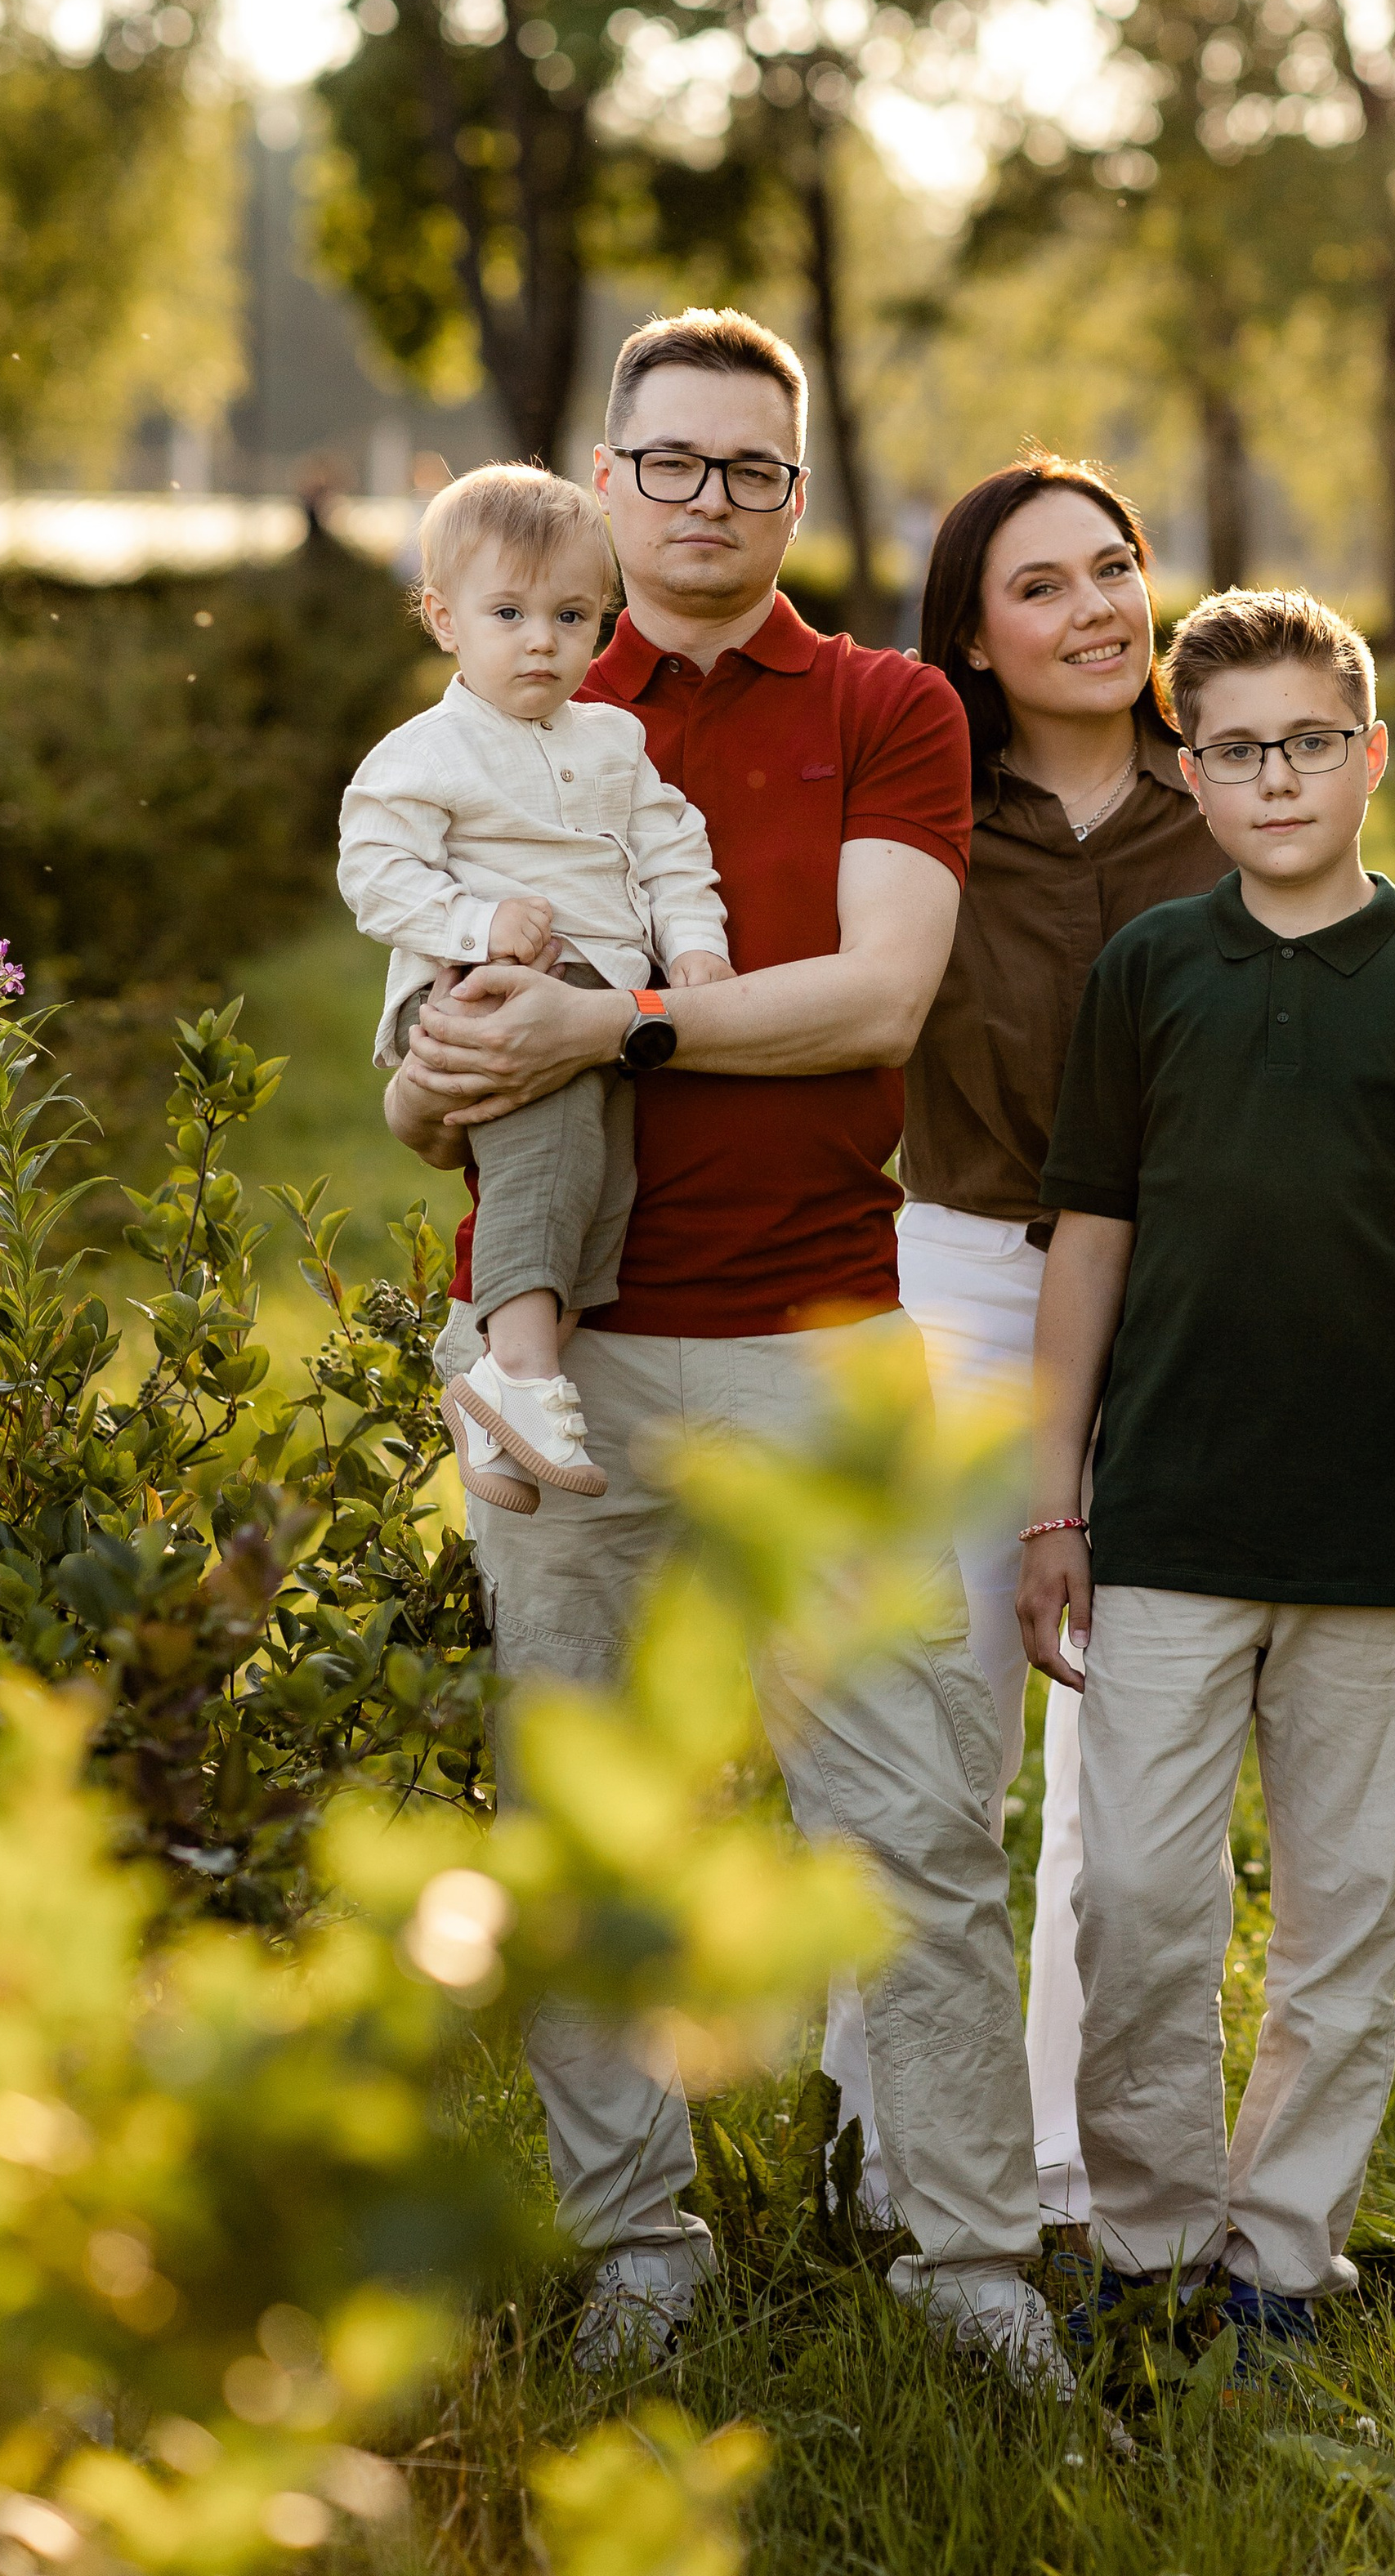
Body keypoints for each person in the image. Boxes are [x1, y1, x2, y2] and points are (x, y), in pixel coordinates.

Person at [382, 309, 1071, 2395]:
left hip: (816, 1340)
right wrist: (442, 1063)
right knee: (585, 1823)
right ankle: (637, 2249)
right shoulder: (509, 684)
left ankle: (972, 2261)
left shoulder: (880, 705)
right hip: (557, 1350)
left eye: (749, 468)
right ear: (604, 479)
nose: (705, 500)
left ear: (794, 491)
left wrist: (603, 1023)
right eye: (667, 462)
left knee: (915, 1821)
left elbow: (872, 999)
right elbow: (417, 1066)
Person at [829, 459, 1395, 2229]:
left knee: (1118, 1784)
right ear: (972, 635)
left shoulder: (1210, 786)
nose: (1092, 608)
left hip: (1198, 1305)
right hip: (971, 1286)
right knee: (931, 1738)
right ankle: (888, 2148)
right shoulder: (918, 805)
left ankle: (1075, 2165)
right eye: (1037, 585)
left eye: (1112, 566)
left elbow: (1330, 907)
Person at [1017, 584, 1395, 2352]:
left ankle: (1278, 2266)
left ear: (1370, 755)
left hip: (1388, 1532)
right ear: (1189, 771)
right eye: (1236, 750)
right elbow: (1090, 1241)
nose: (1275, 778)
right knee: (1136, 1904)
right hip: (1172, 1513)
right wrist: (1052, 1501)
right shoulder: (1149, 972)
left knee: (1344, 1926)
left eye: (1309, 743)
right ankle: (1151, 2244)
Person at [338, 464, 733, 1499]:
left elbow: (672, 845)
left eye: (571, 616)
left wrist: (696, 944)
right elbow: (374, 872)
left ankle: (491, 1398)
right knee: (549, 1155)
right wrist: (477, 923)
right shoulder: (427, 752)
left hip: (599, 1002)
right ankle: (519, 1373)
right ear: (444, 619)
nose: (542, 642)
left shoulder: (613, 739)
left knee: (602, 1191)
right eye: (507, 613)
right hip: (484, 991)